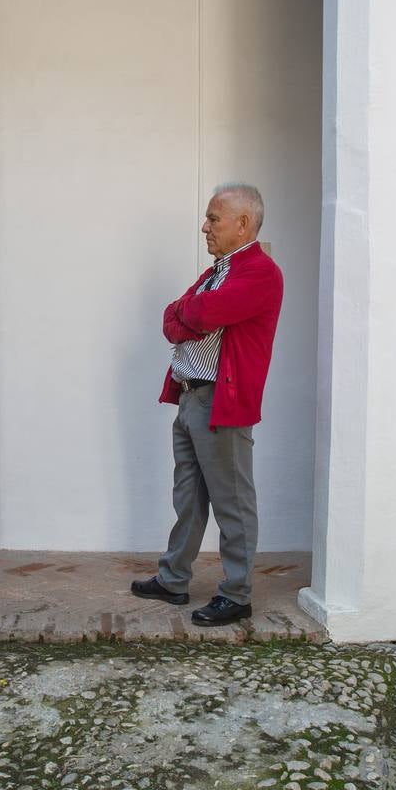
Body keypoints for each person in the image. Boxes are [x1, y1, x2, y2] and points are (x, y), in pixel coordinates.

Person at [131, 183, 284, 627]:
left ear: (243, 223)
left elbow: (198, 315)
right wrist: (189, 310)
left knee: (232, 501)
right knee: (188, 498)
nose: (205, 226)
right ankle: (173, 578)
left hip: (222, 401)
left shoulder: (259, 272)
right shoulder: (219, 270)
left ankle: (236, 595)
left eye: (213, 219)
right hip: (191, 395)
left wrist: (191, 311)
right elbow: (172, 316)